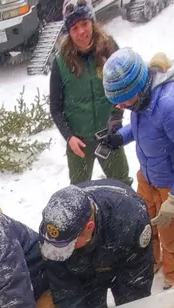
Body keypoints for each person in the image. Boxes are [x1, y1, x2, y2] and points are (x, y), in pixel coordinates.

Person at [102, 49, 174, 288]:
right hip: (148, 177)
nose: (120, 106)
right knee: (147, 227)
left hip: (173, 183)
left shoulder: (171, 103)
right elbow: (145, 129)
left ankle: (173, 276)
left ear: (137, 88)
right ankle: (153, 261)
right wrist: (121, 137)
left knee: (171, 237)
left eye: (122, 100)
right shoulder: (141, 101)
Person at [38, 180, 153, 308]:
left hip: (122, 261)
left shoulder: (132, 219)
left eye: (68, 245)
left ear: (89, 227)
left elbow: (137, 276)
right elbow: (63, 284)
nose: (60, 250)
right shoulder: (52, 232)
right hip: (84, 272)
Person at [49, 0, 130, 186]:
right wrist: (69, 137)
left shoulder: (109, 48)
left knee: (122, 184)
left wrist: (116, 119)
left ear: (92, 22)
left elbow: (123, 88)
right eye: (74, 27)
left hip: (108, 136)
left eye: (84, 24)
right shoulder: (61, 62)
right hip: (79, 142)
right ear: (68, 31)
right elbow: (56, 108)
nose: (81, 32)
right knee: (79, 191)